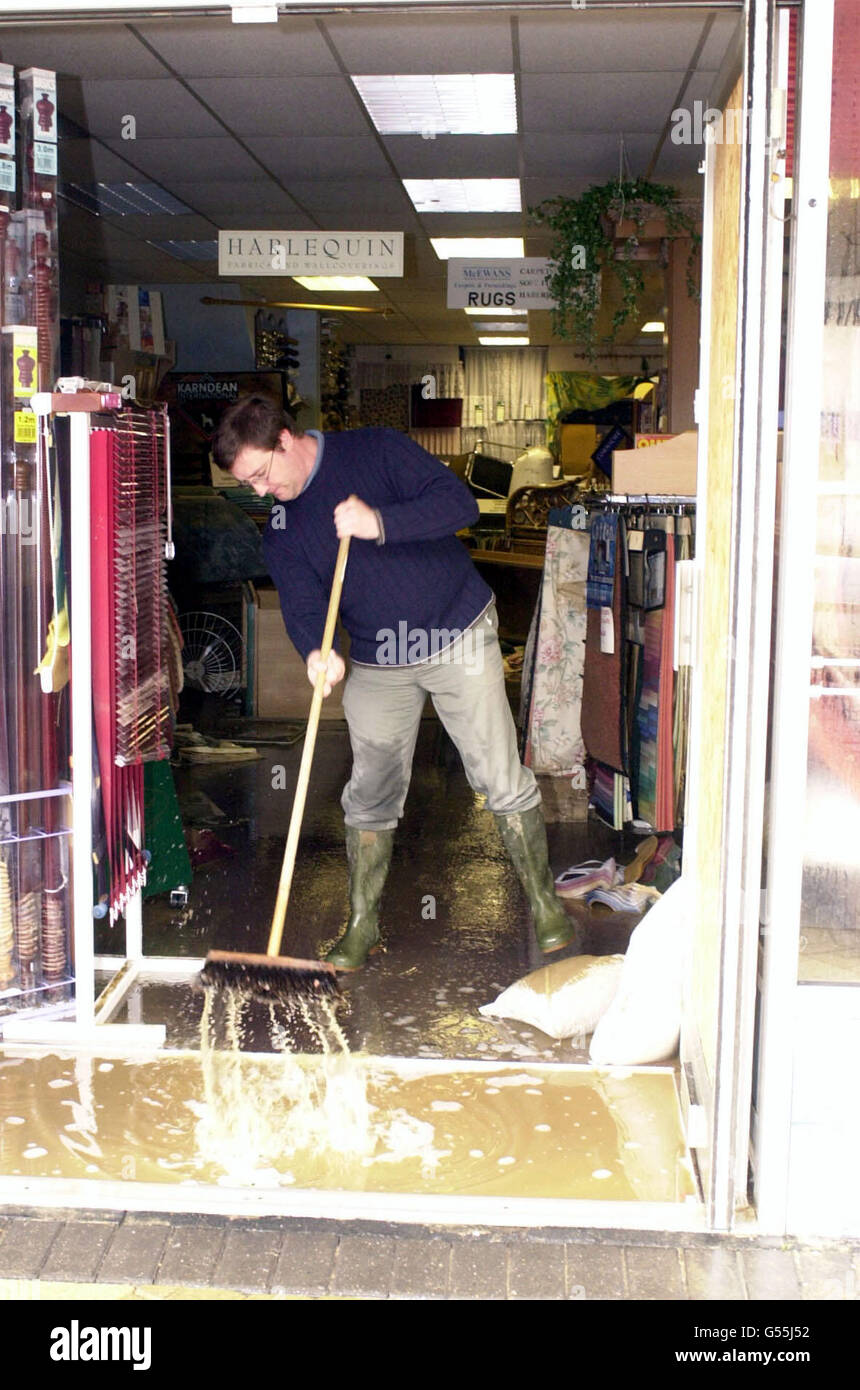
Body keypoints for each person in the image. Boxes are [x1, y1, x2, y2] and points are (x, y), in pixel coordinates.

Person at [213, 394, 581, 969]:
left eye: (261, 475)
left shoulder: (375, 451)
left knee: (497, 771)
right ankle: (363, 925)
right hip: (382, 657)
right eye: (249, 483)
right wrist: (319, 651)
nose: (260, 492)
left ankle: (544, 905)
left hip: (454, 628)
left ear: (286, 440)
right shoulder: (281, 526)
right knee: (371, 789)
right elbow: (304, 603)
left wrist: (378, 523)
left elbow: (457, 504)